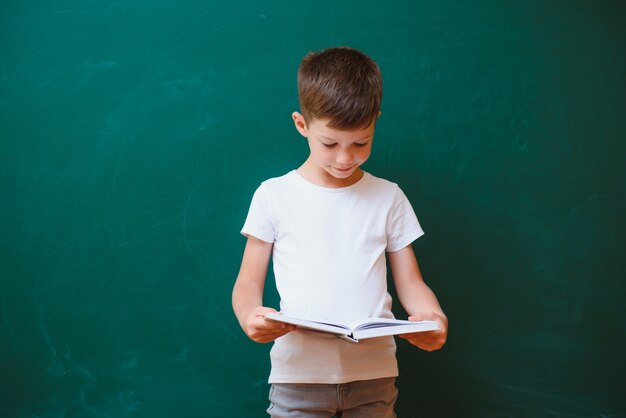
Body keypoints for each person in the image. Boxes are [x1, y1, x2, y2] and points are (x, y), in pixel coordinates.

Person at [232, 46, 448, 417]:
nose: (345, 158)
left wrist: (433, 317)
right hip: (298, 377)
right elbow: (247, 282)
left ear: (375, 121)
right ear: (302, 125)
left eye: (360, 143)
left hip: (374, 376)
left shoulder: (388, 197)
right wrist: (250, 314)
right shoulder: (273, 195)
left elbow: (410, 283)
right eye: (329, 144)